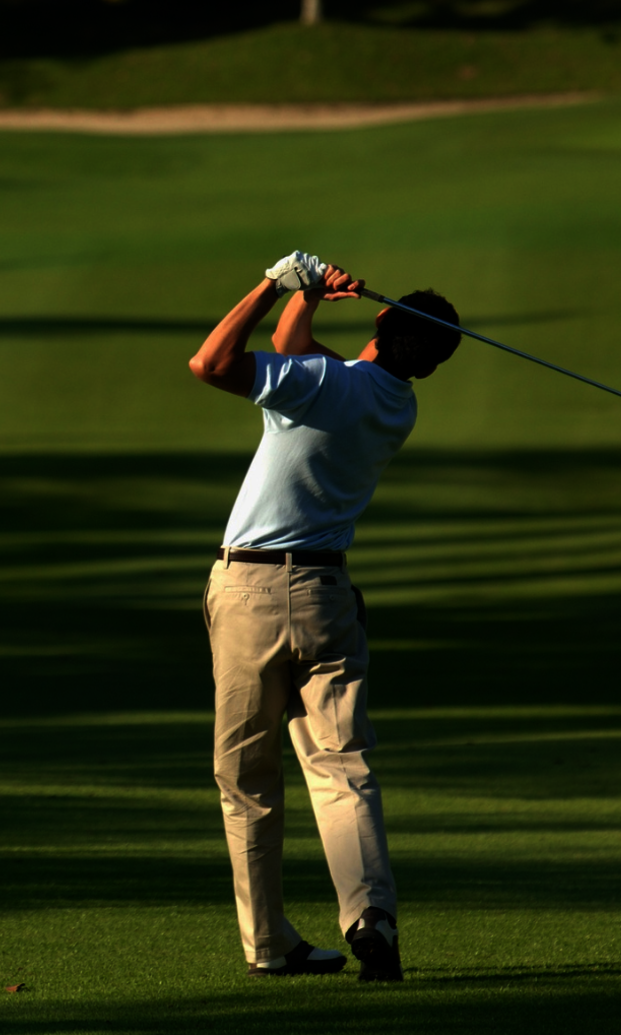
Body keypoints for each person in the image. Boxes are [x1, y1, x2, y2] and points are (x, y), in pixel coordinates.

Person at [185, 251, 462, 982]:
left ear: (381, 319)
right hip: (327, 598)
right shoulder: (395, 405)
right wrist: (305, 299)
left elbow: (210, 363)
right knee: (342, 766)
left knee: (248, 778)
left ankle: (269, 945)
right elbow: (297, 353)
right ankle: (372, 917)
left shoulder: (322, 383)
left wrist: (275, 286)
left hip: (250, 592)